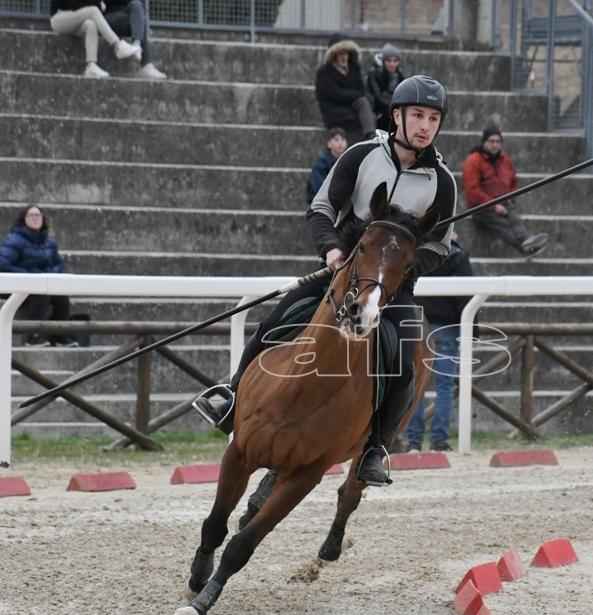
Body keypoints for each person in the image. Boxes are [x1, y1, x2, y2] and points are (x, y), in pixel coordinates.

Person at [194, 75, 457, 487]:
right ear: (397, 116)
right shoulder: (360, 156)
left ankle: (375, 449)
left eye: (434, 118)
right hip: (342, 271)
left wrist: (402, 269)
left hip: (394, 289)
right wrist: (332, 250)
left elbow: (440, 246)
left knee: (404, 363)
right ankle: (231, 396)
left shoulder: (443, 181)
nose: (425, 125)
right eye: (418, 115)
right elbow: (321, 208)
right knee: (275, 322)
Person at [402, 238, 472, 453]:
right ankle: (439, 440)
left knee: (415, 385)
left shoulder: (413, 250)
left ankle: (413, 441)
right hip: (446, 326)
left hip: (416, 323)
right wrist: (473, 331)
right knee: (444, 386)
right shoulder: (457, 255)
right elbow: (466, 296)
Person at [0, 205, 77, 347]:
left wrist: (50, 276)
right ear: (23, 219)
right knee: (40, 293)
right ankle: (34, 335)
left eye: (38, 215)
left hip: (42, 284)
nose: (35, 218)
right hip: (16, 286)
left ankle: (60, 335)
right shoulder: (14, 240)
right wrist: (32, 277)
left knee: (61, 297)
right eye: (31, 215)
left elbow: (58, 264)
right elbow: (2, 265)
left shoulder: (49, 242)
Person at [462, 126, 548, 256]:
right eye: (491, 141)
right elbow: (473, 191)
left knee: (515, 220)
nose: (495, 145)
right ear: (484, 142)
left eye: (498, 141)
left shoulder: (505, 159)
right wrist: (494, 205)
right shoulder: (473, 160)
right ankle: (525, 246)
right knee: (502, 224)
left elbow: (513, 180)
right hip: (481, 208)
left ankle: (526, 241)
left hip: (504, 203)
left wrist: (511, 197)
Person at [50, 0, 142, 78]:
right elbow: (73, 5)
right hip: (59, 18)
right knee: (93, 11)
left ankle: (91, 66)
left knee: (90, 25)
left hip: (74, 18)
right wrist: (97, 3)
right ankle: (117, 45)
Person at [314, 36, 377, 140]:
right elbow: (335, 94)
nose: (344, 57)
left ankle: (371, 137)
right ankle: (371, 138)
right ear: (333, 55)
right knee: (368, 115)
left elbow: (362, 89)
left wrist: (365, 98)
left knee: (369, 113)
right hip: (335, 114)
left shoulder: (354, 68)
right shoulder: (324, 72)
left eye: (346, 53)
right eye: (340, 53)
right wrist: (359, 96)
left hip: (353, 111)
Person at [102, 0, 167, 79]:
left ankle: (137, 46)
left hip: (125, 17)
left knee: (137, 6)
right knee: (141, 20)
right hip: (105, 19)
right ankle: (146, 64)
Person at [366, 44, 406, 131]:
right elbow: (378, 97)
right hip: (380, 110)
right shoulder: (374, 74)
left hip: (394, 107)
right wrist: (394, 105)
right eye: (389, 61)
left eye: (395, 61)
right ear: (384, 61)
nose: (392, 64)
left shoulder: (400, 75)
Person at [307, 127, 349, 204]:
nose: (340, 143)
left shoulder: (348, 160)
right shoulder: (322, 162)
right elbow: (317, 185)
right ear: (329, 144)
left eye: (342, 140)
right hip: (322, 200)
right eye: (336, 140)